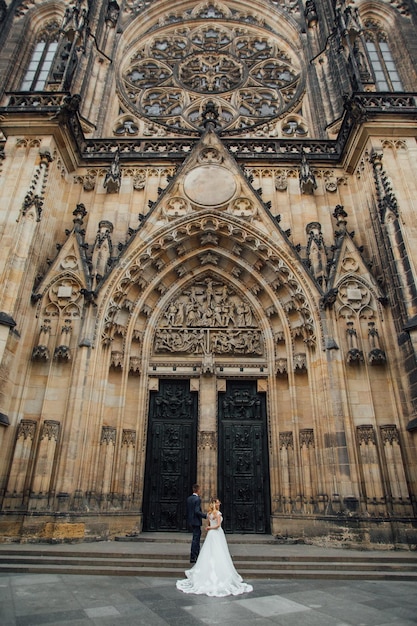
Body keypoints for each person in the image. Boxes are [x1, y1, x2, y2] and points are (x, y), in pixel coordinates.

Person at [177, 497, 253, 597]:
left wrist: (209, 527)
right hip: (216, 533)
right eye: (218, 502)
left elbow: (209, 523)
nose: (219, 504)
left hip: (211, 534)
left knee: (210, 551)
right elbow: (217, 525)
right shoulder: (217, 513)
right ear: (215, 504)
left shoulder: (209, 514)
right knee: (219, 551)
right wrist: (211, 527)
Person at [186, 484, 207, 563]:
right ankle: (194, 555)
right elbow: (197, 511)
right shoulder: (197, 499)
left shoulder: (189, 499)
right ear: (197, 490)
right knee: (196, 539)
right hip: (196, 521)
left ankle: (195, 555)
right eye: (200, 490)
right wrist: (205, 515)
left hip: (191, 521)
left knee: (195, 538)